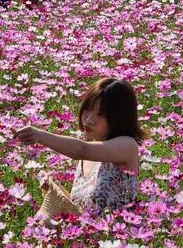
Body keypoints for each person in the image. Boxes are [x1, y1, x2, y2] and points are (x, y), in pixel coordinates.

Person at [14, 78, 145, 221]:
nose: (89, 119)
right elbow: (81, 215)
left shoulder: (127, 145)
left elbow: (81, 149)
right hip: (92, 239)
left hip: (118, 239)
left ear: (120, 118)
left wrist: (39, 135)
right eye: (88, 108)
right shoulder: (88, 151)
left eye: (101, 115)